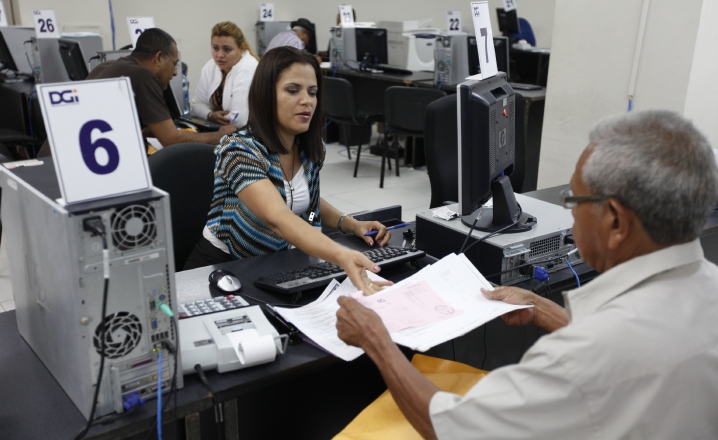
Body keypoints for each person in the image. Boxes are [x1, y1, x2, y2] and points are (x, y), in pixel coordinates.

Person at [336, 110, 718, 439]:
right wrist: (544, 309)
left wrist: (378, 341)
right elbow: (635, 349)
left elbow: (452, 428)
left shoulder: (582, 358)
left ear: (615, 221)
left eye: (575, 200)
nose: (571, 213)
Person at [185, 47, 393, 295]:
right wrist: (341, 255)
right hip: (223, 269)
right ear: (265, 95)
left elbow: (308, 207)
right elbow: (278, 218)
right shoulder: (239, 150)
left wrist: (348, 224)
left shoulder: (311, 151)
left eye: (312, 92)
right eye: (293, 90)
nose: (307, 100)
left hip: (273, 265)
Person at [86, 28, 234, 149]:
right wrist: (218, 135)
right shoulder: (143, 76)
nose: (176, 72)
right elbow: (170, 140)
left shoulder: (104, 67)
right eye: (174, 64)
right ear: (159, 58)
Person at [191, 22, 259, 130]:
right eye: (215, 48)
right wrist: (210, 115)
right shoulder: (210, 67)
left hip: (249, 137)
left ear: (241, 48)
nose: (220, 55)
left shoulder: (247, 68)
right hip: (221, 133)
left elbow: (240, 120)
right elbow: (196, 105)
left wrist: (210, 117)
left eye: (227, 49)